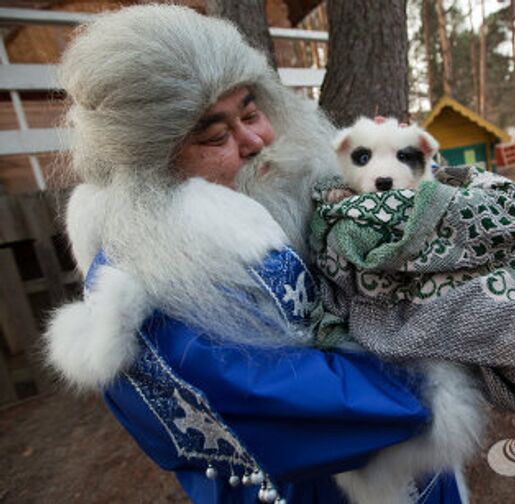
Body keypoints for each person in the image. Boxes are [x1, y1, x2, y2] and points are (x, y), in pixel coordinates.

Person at [44, 5, 473, 503]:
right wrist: (458, 351)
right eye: (214, 135)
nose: (255, 141)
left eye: (251, 112)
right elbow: (326, 409)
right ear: (151, 166)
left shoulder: (270, 197)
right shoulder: (149, 310)